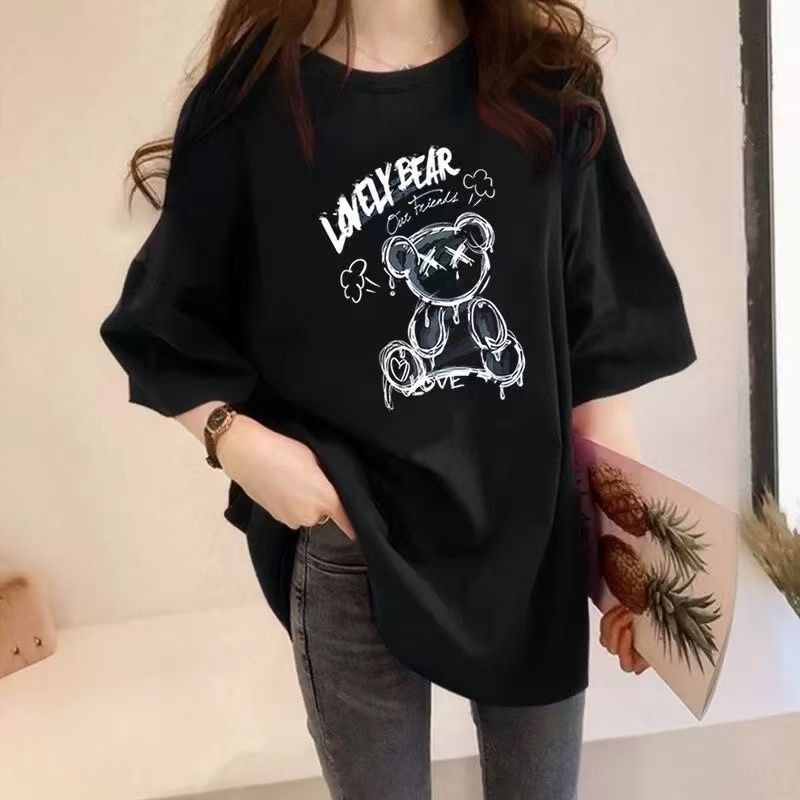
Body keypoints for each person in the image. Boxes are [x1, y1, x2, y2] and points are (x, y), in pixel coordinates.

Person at [99, 1, 697, 797]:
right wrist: (242, 447)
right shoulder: (250, 103)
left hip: (532, 542)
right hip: (353, 542)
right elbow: (164, 323)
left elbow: (599, 352)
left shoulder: (549, 86)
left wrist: (632, 567)